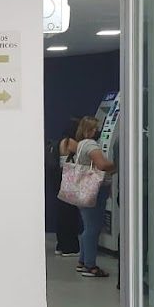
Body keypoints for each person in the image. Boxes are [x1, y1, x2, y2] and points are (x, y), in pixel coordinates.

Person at [73, 115, 116, 279]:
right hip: (94, 191)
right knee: (93, 228)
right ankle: (90, 265)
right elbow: (102, 165)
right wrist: (121, 163)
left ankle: (83, 261)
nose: (98, 131)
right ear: (88, 130)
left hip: (83, 189)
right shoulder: (91, 144)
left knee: (88, 227)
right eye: (95, 128)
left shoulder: (80, 144)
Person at [52, 118, 81, 256]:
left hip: (60, 179)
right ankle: (70, 247)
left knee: (62, 214)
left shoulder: (61, 141)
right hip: (69, 180)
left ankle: (61, 245)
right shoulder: (72, 142)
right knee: (70, 214)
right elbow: (86, 153)